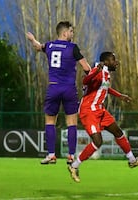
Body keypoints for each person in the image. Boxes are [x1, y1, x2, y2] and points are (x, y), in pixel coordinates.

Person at [68, 52, 138, 183]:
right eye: (113, 60)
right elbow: (85, 80)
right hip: (89, 111)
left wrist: (120, 96)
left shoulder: (106, 74)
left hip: (100, 110)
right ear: (105, 62)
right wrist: (96, 71)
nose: (116, 62)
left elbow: (105, 88)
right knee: (98, 141)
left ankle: (132, 160)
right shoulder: (97, 70)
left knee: (118, 132)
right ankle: (74, 166)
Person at [26, 21, 91, 165]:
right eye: (71, 31)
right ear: (65, 32)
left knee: (50, 121)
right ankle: (71, 156)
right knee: (72, 122)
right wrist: (94, 76)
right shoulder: (73, 48)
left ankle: (51, 155)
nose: (72, 34)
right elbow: (86, 67)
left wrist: (32, 39)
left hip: (53, 88)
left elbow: (38, 47)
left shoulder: (49, 45)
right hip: (69, 88)